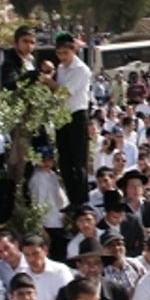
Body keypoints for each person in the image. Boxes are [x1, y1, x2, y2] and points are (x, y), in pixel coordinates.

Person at [50, 31, 92, 208]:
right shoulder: (60, 68)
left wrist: (47, 82)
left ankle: (81, 200)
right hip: (62, 116)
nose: (62, 57)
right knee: (65, 161)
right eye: (59, 53)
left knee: (78, 162)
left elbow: (64, 91)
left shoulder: (81, 70)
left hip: (76, 116)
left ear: (73, 50)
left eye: (65, 53)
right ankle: (72, 199)